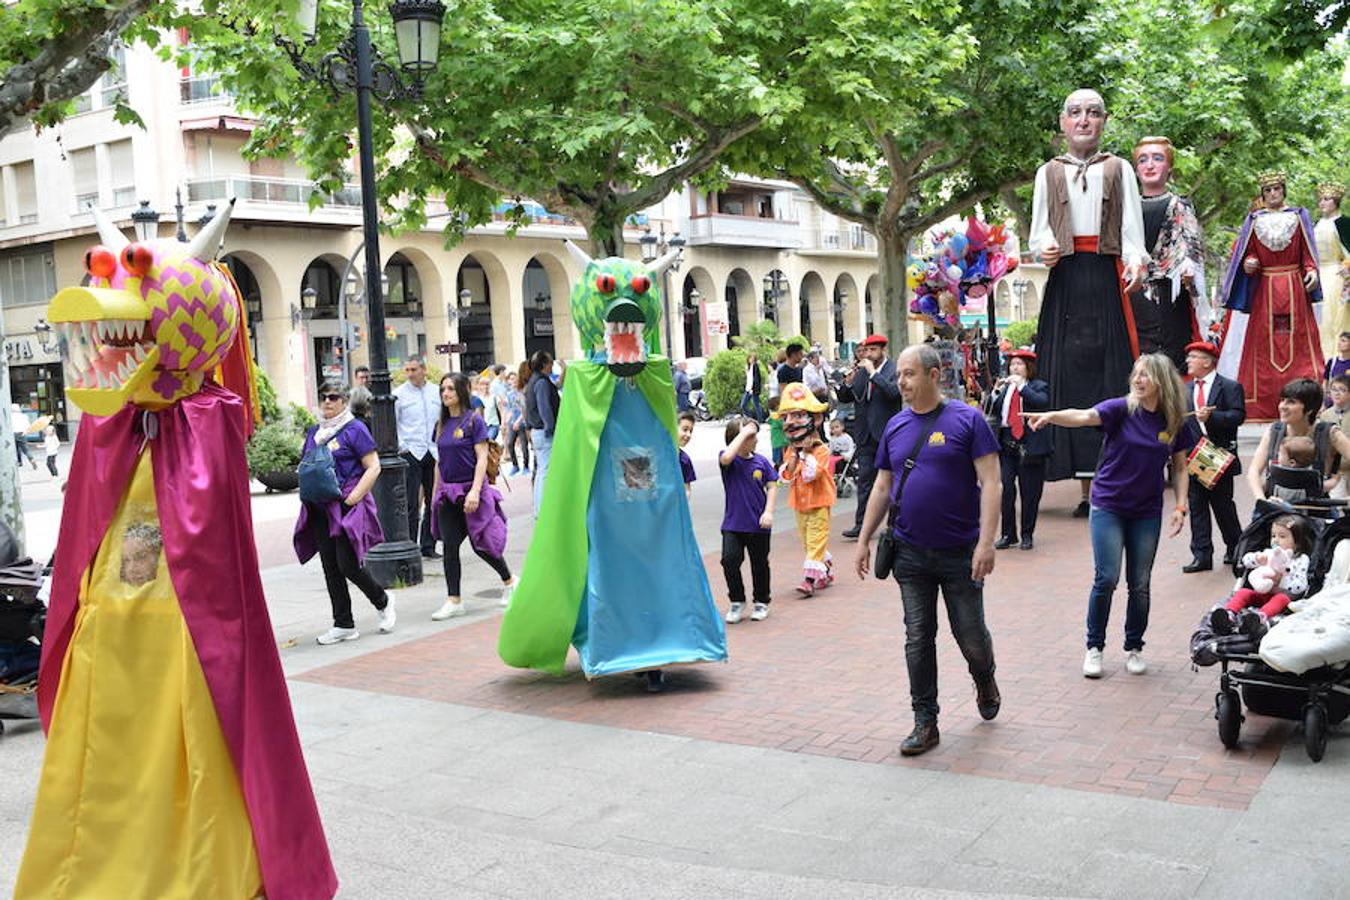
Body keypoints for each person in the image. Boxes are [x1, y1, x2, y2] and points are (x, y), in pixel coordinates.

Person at [853, 344, 1001, 757]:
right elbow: (883, 486)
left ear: (934, 375)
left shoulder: (968, 420)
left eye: (909, 373)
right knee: (918, 637)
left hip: (960, 551)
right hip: (909, 552)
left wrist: (986, 543)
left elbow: (992, 482)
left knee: (969, 634)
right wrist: (865, 538)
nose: (900, 381)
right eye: (899, 374)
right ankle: (925, 721)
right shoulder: (896, 426)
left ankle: (984, 676)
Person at [1027, 353, 1196, 679]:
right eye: (1136, 373)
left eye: (1145, 374)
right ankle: (1095, 647)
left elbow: (1179, 466)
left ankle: (1134, 647)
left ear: (1161, 379)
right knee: (1106, 578)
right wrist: (1051, 416)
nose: (1138, 379)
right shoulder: (1121, 408)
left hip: (1146, 511)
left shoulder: (1173, 419)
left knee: (1140, 583)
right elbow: (1083, 416)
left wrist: (1180, 505)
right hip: (1108, 505)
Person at [1028, 89, 1149, 488]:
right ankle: (1076, 472)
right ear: (1063, 122)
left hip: (1105, 273)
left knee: (1110, 369)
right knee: (1068, 370)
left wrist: (1136, 261)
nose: (1084, 120)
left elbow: (1132, 228)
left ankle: (1113, 466)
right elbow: (1038, 230)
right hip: (1065, 276)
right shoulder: (1048, 171)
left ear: (1103, 121)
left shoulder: (1119, 169)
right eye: (1076, 113)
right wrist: (1043, 247)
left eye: (1093, 113)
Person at [1216, 170, 1323, 420]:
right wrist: (1250, 263)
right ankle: (1261, 404)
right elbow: (1248, 253)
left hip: (1294, 286)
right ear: (1262, 195)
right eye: (1268, 190)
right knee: (1263, 343)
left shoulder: (1298, 216)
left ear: (1284, 190)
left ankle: (1307, 401)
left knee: (1298, 342)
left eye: (1277, 189)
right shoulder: (1254, 220)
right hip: (1265, 289)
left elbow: (1308, 253)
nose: (1273, 194)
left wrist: (1312, 272)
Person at [294, 382, 394, 644]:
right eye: (323, 396)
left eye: (333, 397)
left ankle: (383, 600)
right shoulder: (315, 432)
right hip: (319, 508)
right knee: (330, 566)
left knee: (348, 564)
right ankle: (343, 623)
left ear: (344, 400)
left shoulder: (355, 429)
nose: (327, 401)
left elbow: (374, 466)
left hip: (346, 505)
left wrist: (353, 498)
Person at [427, 373, 514, 620]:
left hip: (471, 491)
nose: (445, 393)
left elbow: (482, 458)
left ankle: (509, 580)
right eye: (443, 389)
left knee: (481, 544)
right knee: (450, 546)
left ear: (462, 392)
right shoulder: (441, 425)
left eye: (451, 389)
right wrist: (435, 493)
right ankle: (454, 600)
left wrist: (476, 491)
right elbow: (439, 462)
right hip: (448, 493)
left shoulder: (473, 422)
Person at [1130, 136, 1207, 370]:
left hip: (1169, 294)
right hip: (1132, 291)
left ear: (1169, 167)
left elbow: (1190, 246)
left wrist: (1187, 269)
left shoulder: (1180, 205)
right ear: (1136, 168)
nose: (1150, 165)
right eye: (1143, 160)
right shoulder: (1126, 207)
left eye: (1157, 158)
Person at [1182, 340, 1247, 573]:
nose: (1188, 361)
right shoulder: (1185, 389)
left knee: (1222, 506)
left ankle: (1235, 548)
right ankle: (1201, 555)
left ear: (1207, 362)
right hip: (1194, 456)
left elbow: (1238, 416)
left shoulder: (1229, 387)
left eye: (1193, 357)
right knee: (1197, 506)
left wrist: (1213, 417)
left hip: (1219, 455)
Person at [838, 334, 902, 540]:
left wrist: (874, 373)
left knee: (892, 481)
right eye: (866, 350)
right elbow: (846, 397)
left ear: (883, 350)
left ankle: (894, 524)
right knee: (865, 480)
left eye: (873, 350)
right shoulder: (862, 371)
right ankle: (861, 524)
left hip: (887, 435)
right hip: (865, 435)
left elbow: (893, 393)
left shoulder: (893, 370)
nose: (868, 354)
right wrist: (847, 384)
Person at [776, 383, 837, 596]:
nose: (790, 423)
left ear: (816, 419)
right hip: (800, 504)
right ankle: (825, 571)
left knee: (815, 540)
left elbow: (812, 475)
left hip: (819, 502)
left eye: (798, 416)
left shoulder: (821, 450)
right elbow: (786, 476)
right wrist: (794, 456)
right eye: (786, 418)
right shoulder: (790, 451)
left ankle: (809, 581)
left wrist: (805, 453)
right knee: (807, 542)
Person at [989, 349, 1051, 551]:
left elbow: (1041, 402)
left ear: (1028, 367)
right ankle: (1008, 534)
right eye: (1012, 364)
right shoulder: (1006, 389)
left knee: (1030, 491)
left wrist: (1022, 386)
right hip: (1007, 442)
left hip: (1029, 442)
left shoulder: (1038, 386)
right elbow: (993, 409)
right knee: (1006, 488)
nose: (1014, 368)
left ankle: (1027, 533)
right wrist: (995, 392)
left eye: (1019, 364)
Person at [1211, 514, 1312, 636]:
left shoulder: (1300, 559)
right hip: (1262, 594)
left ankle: (1259, 618)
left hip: (1284, 598)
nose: (1275, 540)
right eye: (1273, 536)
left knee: (1281, 598)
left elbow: (1300, 586)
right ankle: (1229, 615)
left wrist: (1281, 580)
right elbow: (1246, 560)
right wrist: (1257, 559)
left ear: (1297, 542)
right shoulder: (1268, 553)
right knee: (1243, 592)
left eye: (1282, 536)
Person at [719, 418, 778, 623]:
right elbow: (726, 457)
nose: (755, 439)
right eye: (750, 436)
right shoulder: (729, 461)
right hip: (733, 524)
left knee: (759, 563)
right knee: (729, 560)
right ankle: (737, 600)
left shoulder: (761, 461)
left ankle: (761, 601)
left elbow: (772, 486)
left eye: (754, 435)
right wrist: (743, 432)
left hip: (758, 524)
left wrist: (769, 512)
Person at [1245, 378, 1337, 504]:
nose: (1283, 406)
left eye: (1291, 402)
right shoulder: (1274, 431)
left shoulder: (1329, 432)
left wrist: (1336, 480)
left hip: (1316, 511)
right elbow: (1254, 471)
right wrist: (1261, 499)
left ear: (1310, 409)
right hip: (1277, 507)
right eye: (1282, 400)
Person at [394, 357, 441, 559]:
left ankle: (428, 545)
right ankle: (411, 544)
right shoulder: (399, 395)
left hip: (433, 451)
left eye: (414, 369)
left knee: (433, 501)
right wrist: (402, 447)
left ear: (424, 369)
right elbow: (394, 424)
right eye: (407, 370)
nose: (410, 373)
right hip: (411, 451)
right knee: (412, 503)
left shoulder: (436, 392)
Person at [1314, 183, 1349, 352]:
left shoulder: (1344, 223)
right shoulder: (1316, 224)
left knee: (1333, 319)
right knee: (1318, 320)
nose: (1322, 203)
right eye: (1320, 199)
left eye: (1326, 199)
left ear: (1336, 201)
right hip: (1316, 275)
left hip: (1336, 277)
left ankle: (1335, 357)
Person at [524, 350, 560, 513]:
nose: (552, 365)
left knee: (541, 470)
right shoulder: (542, 383)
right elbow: (545, 407)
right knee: (545, 470)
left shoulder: (534, 381)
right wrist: (550, 428)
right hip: (543, 431)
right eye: (550, 362)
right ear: (544, 364)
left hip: (536, 430)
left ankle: (540, 507)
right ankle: (543, 508)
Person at [1318, 374, 1350, 497]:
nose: (1337, 393)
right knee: (1337, 501)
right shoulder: (1325, 415)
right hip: (1336, 471)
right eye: (1334, 389)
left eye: (1342, 390)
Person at [502, 370, 530, 476]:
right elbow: (507, 409)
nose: (512, 381)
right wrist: (504, 422)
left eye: (514, 379)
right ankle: (515, 465)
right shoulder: (509, 394)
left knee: (524, 445)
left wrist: (519, 421)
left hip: (521, 422)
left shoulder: (522, 392)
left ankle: (526, 466)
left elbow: (525, 409)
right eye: (510, 379)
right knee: (509, 443)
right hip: (512, 422)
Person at [1324, 331, 1350, 402]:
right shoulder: (1332, 361)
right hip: (1332, 401)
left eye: (1343, 341)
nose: (1339, 343)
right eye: (1339, 341)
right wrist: (1326, 396)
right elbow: (1325, 380)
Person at [740, 353, 766, 422]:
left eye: (753, 358)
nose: (751, 360)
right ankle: (750, 418)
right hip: (748, 389)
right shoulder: (748, 367)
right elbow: (749, 378)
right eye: (750, 358)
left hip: (753, 389)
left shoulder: (755, 366)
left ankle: (760, 420)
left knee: (756, 404)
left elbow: (756, 379)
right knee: (743, 405)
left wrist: (754, 388)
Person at [677, 410, 697, 500]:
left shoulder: (684, 460)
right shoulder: (657, 453)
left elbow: (687, 490)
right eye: (685, 429)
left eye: (691, 431)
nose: (688, 435)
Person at [10, 403, 36, 470]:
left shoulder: (10, 416)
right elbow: (28, 426)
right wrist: (25, 432)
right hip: (22, 433)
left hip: (13, 434)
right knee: (26, 449)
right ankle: (31, 459)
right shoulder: (24, 416)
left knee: (15, 449)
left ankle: (19, 462)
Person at [474, 373, 500, 438]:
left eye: (487, 384)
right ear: (478, 386)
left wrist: (503, 424)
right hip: (481, 426)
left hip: (493, 424)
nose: (485, 386)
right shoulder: (476, 398)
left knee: (489, 440)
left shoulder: (494, 397)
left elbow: (501, 410)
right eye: (482, 384)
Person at [766, 395, 787, 466]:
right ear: (777, 406)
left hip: (776, 443)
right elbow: (785, 425)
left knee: (778, 461)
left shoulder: (773, 416)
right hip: (781, 443)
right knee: (782, 461)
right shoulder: (777, 417)